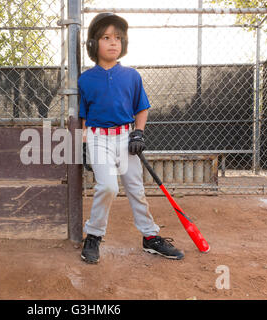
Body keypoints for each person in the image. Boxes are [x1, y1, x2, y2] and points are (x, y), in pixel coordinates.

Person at [79, 13, 184, 264]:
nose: (113, 42)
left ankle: (150, 237)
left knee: (136, 189)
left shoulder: (132, 76)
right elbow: (84, 116)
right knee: (107, 186)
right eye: (106, 37)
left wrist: (138, 132)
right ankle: (93, 235)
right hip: (98, 138)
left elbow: (142, 108)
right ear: (94, 45)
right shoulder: (85, 79)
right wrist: (84, 145)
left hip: (126, 138)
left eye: (118, 38)